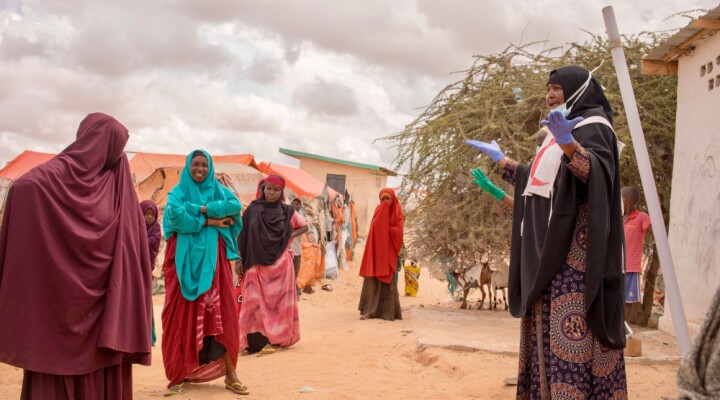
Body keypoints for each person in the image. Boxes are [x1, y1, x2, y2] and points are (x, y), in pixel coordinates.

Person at [467, 65, 627, 398]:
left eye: (557, 88)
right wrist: (502, 161)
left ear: (578, 90)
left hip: (577, 261)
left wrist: (569, 142)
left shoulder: (596, 127)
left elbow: (594, 174)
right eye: (547, 89)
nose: (549, 95)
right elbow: (541, 184)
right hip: (550, 257)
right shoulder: (557, 136)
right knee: (545, 332)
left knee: (574, 335)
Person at [0, 113, 152, 399]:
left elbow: (133, 252)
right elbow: (23, 190)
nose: (118, 155)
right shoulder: (46, 181)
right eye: (116, 145)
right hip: (60, 315)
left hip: (101, 323)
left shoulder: (119, 186)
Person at [160, 150, 247, 396]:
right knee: (180, 314)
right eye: (195, 165)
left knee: (223, 312)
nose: (200, 169)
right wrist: (210, 220)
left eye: (204, 165)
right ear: (188, 167)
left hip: (214, 263)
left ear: (210, 168)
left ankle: (231, 375)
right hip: (181, 262)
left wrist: (199, 209)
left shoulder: (218, 189)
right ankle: (178, 374)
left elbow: (234, 206)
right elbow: (175, 217)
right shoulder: (177, 191)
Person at [237, 175, 308, 355]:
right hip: (255, 265)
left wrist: (289, 237)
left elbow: (304, 226)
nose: (271, 193)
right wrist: (239, 259)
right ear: (263, 189)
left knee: (279, 305)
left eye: (276, 190)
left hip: (280, 267)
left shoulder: (288, 211)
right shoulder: (253, 209)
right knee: (253, 305)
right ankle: (254, 342)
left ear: (282, 192)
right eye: (269, 188)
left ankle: (276, 340)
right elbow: (242, 234)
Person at [358, 188, 404, 321]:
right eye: (383, 199)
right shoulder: (378, 210)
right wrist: (380, 228)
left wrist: (385, 229)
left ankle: (387, 312)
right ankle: (370, 310)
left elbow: (399, 231)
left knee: (387, 280)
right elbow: (374, 229)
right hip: (376, 252)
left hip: (388, 253)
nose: (385, 202)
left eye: (388, 199)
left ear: (393, 199)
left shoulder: (397, 212)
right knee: (373, 280)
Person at [622, 186, 651, 323]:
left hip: (631, 267)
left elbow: (652, 229)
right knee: (615, 297)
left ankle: (623, 327)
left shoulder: (641, 217)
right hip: (616, 265)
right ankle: (614, 326)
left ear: (627, 200)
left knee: (627, 300)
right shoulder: (619, 218)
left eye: (620, 199)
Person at [141, 199, 162, 346]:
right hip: (132, 271)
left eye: (151, 214)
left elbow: (150, 244)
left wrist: (138, 240)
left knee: (145, 301)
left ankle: (148, 335)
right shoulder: (133, 226)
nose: (149, 217)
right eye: (146, 213)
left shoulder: (156, 230)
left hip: (145, 271)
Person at [290, 197, 304, 297]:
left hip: (297, 250)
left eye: (297, 204)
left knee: (294, 273)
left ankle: (296, 290)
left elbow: (307, 230)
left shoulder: (302, 219)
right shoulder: (288, 217)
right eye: (293, 204)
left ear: (300, 206)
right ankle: (295, 291)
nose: (295, 205)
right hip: (287, 251)